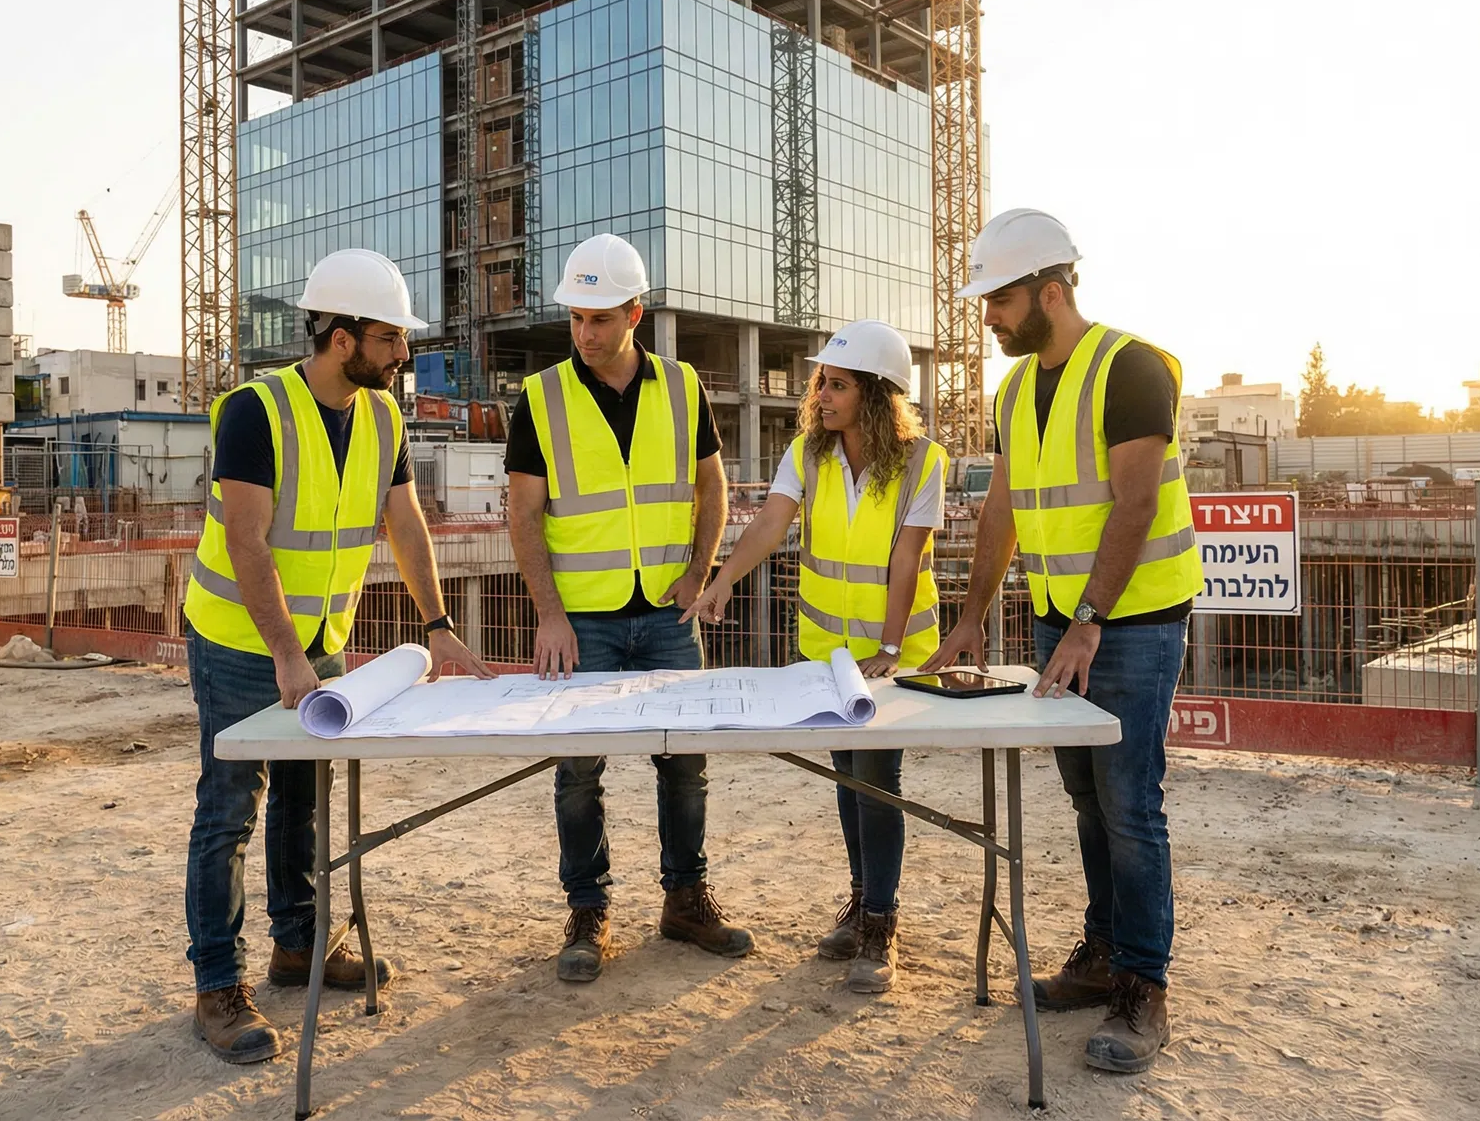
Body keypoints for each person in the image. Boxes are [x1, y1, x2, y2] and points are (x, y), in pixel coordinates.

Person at [183, 248, 494, 1064]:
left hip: (318, 643)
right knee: (228, 812)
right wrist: (288, 656)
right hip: (239, 640)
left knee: (301, 801)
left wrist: (437, 623)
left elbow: (406, 523)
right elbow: (249, 544)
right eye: (391, 338)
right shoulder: (255, 412)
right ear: (343, 337)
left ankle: (299, 947)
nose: (403, 354)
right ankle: (217, 986)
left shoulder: (385, 417)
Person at [923, 209, 1202, 1074]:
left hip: (1132, 619)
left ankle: (1143, 988)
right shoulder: (1013, 391)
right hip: (1059, 618)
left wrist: (1087, 623)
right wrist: (972, 616)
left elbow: (1136, 504)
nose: (988, 318)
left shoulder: (1131, 368)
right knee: (1085, 797)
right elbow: (1004, 508)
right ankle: (1102, 950)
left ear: (1051, 289)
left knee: (1129, 803)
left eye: (999, 300)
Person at [504, 233, 754, 983]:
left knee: (686, 766)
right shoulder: (541, 397)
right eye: (578, 319)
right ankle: (588, 911)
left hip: (667, 618)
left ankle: (685, 899)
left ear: (635, 313)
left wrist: (699, 570)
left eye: (601, 319)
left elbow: (712, 486)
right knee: (578, 772)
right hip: (582, 619)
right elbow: (523, 513)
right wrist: (547, 612)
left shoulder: (682, 387)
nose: (586, 333)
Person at [684, 320, 944, 994]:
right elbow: (770, 522)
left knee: (877, 783)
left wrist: (889, 647)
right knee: (849, 783)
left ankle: (881, 924)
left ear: (878, 394)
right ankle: (861, 903)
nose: (821, 395)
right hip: (824, 655)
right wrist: (722, 579)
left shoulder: (924, 462)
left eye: (837, 384)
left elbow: (907, 557)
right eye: (820, 382)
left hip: (892, 656)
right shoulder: (806, 453)